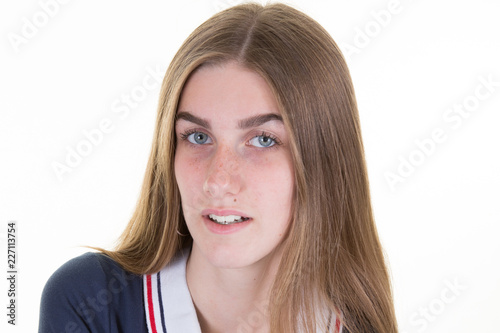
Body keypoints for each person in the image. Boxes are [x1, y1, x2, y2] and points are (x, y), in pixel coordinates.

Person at [39, 2, 397, 332]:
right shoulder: (89, 304)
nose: (218, 181)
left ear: (323, 162)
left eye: (263, 140)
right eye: (197, 137)